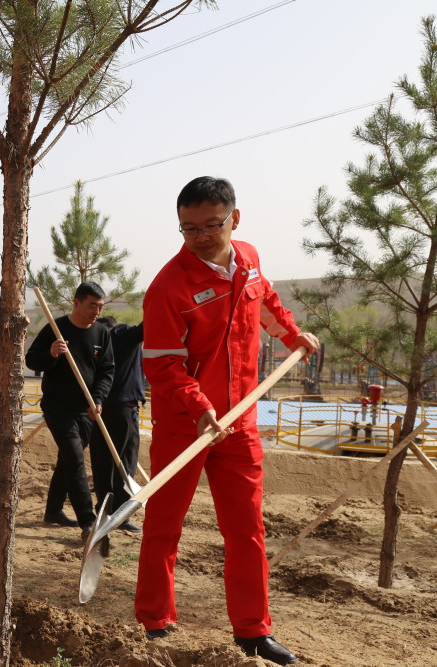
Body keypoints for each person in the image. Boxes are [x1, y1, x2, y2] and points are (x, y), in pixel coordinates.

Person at [136, 177, 319, 665]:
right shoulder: (169, 287)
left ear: (234, 219)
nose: (200, 236)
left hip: (241, 423)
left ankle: (253, 631)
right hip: (185, 425)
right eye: (188, 228)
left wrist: (293, 336)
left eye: (211, 225)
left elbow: (266, 304)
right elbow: (161, 363)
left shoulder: (250, 258)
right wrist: (199, 407)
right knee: (163, 526)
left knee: (247, 530)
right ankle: (155, 622)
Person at [25, 282, 115, 539]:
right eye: (91, 305)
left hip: (86, 410)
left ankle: (53, 511)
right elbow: (32, 359)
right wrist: (51, 353)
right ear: (76, 303)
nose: (96, 311)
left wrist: (98, 399)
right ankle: (88, 522)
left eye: (100, 306)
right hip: (57, 407)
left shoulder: (102, 333)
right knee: (75, 459)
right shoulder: (57, 328)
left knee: (68, 460)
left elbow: (107, 371)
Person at [88, 316, 144, 532]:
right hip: (123, 408)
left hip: (98, 409)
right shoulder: (119, 334)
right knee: (125, 464)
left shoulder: (94, 343)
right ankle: (120, 514)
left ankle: (103, 511)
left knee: (102, 463)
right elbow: (144, 330)